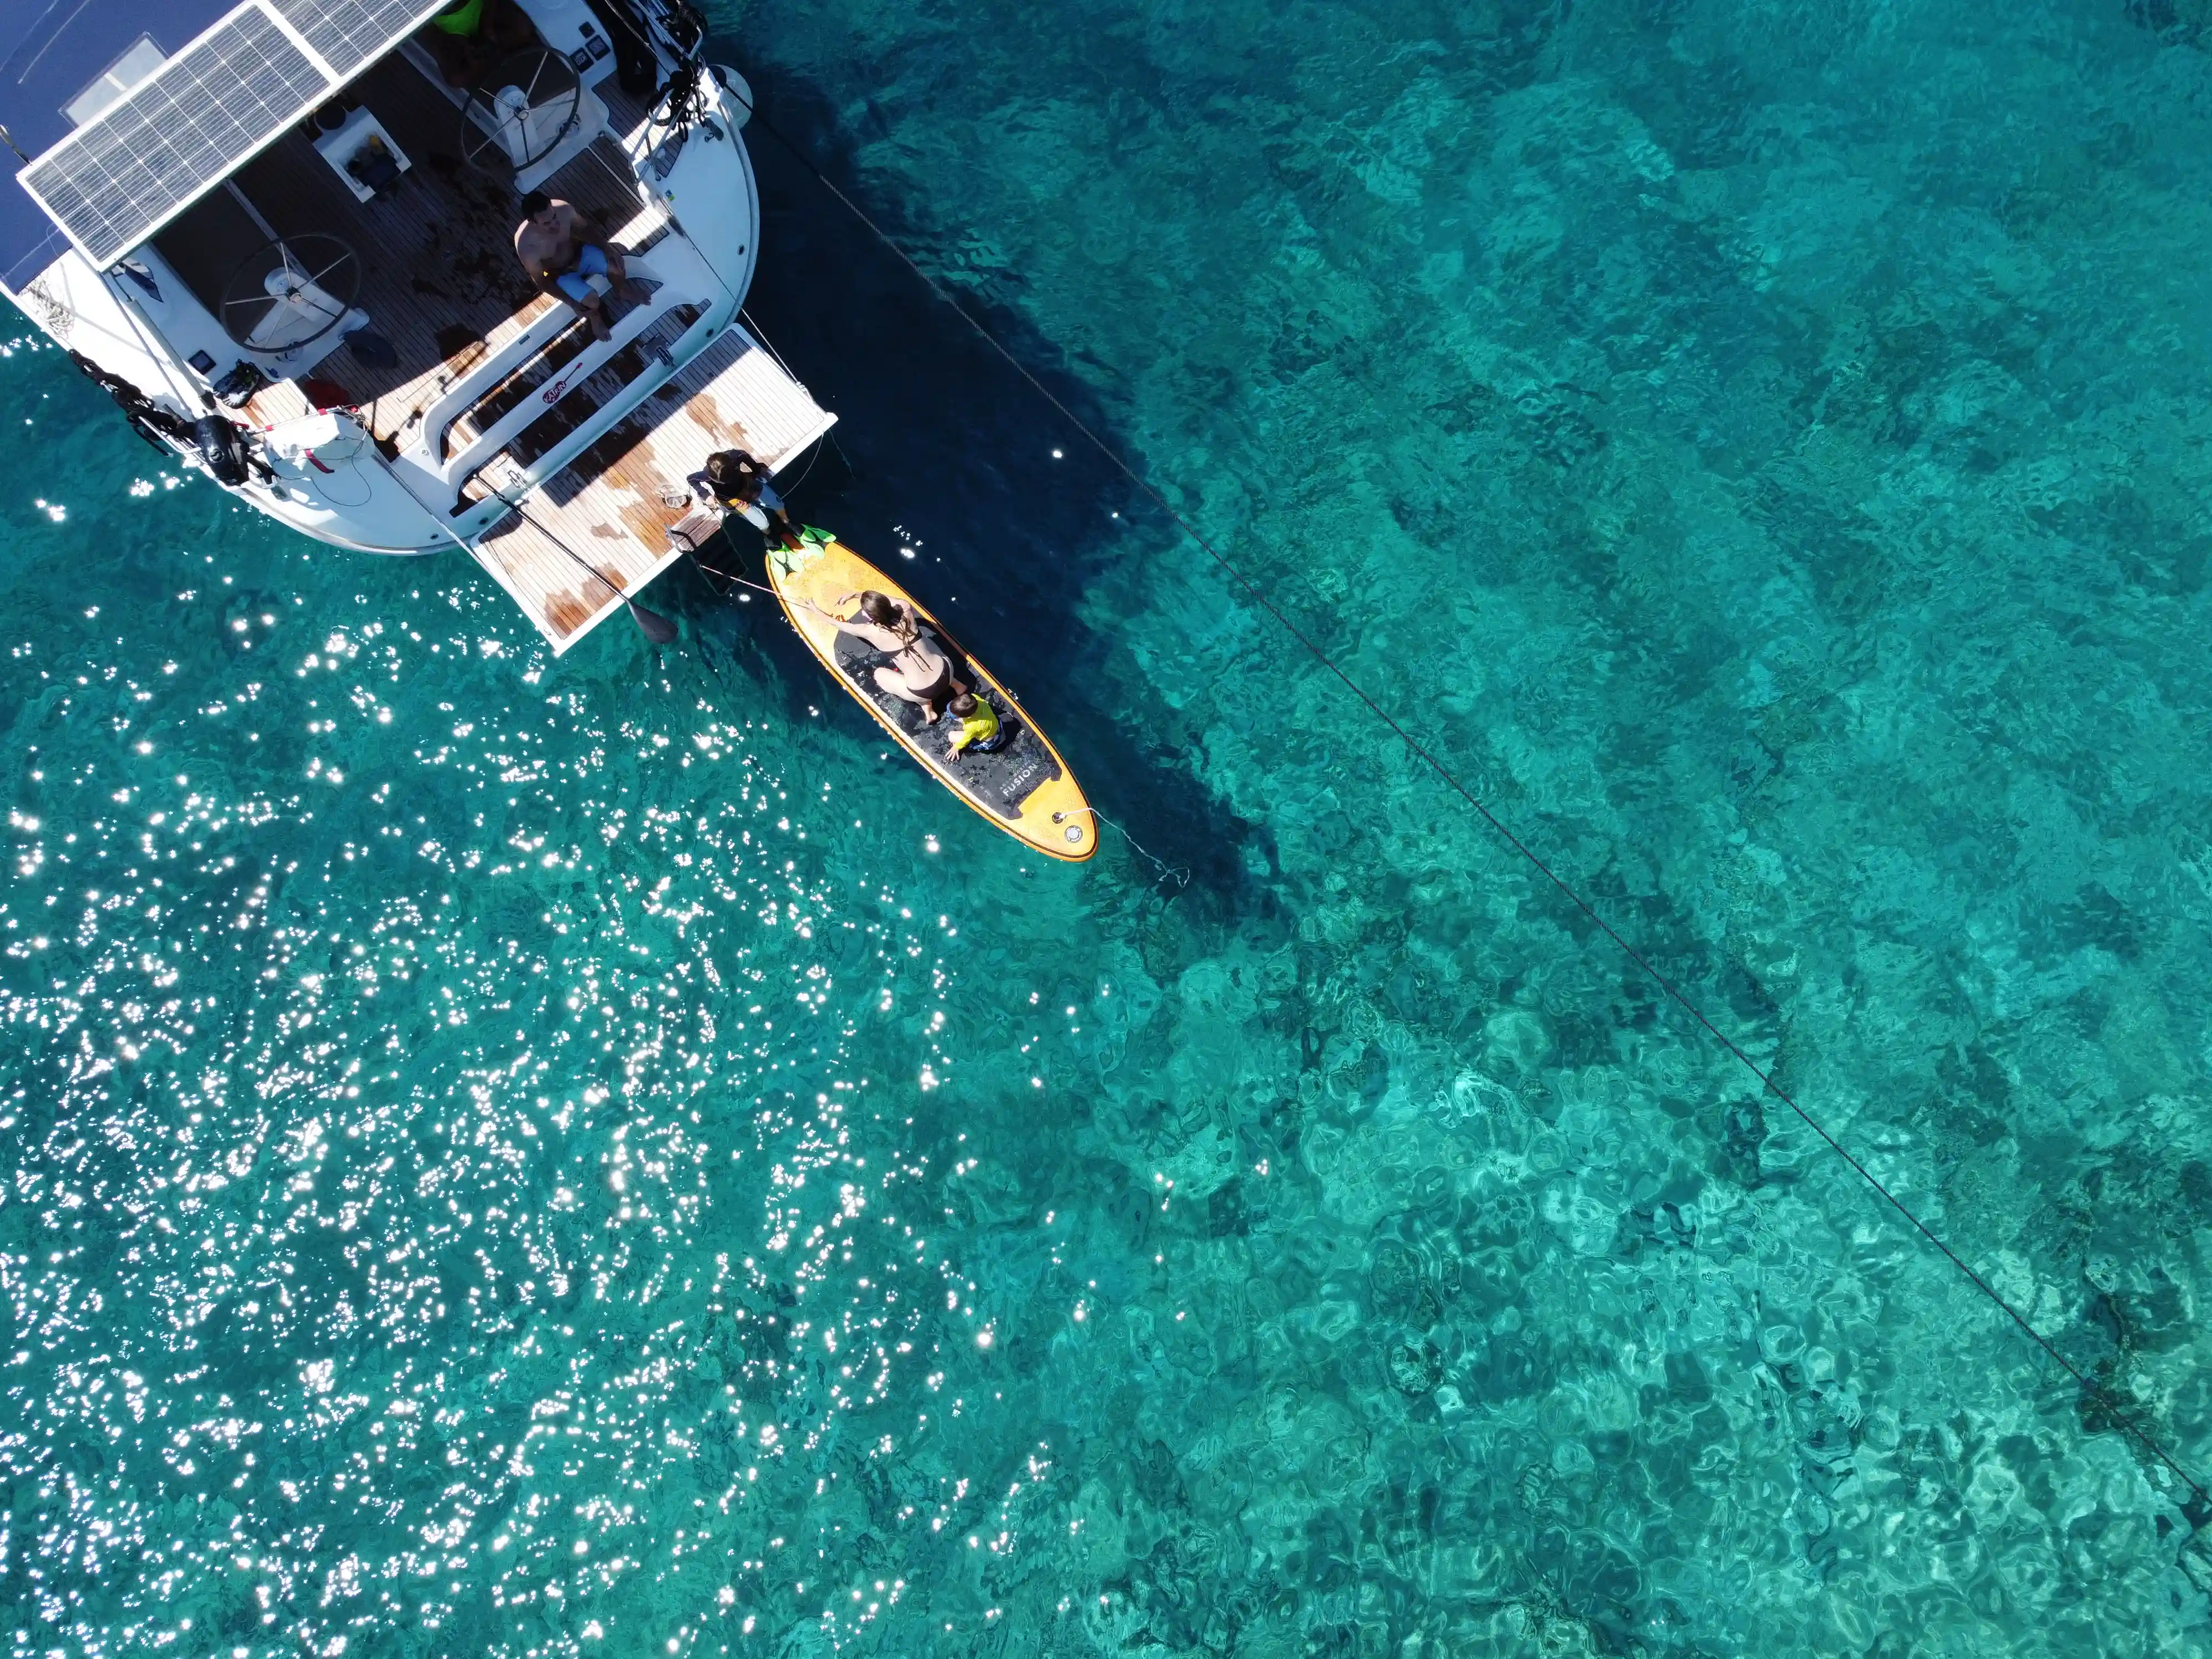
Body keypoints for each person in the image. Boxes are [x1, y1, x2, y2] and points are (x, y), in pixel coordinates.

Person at [805, 590, 966, 718]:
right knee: (927, 643)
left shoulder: (868, 631)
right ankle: (957, 685)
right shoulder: (906, 610)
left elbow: (835, 623)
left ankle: (927, 708)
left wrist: (815, 610)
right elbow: (889, 601)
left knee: (879, 674)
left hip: (922, 692)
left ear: (869, 616)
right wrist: (856, 594)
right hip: (947, 672)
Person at [514, 193, 645, 342]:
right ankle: (595, 319)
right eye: (547, 224)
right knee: (591, 303)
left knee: (617, 267)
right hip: (561, 274)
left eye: (554, 217)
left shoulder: (564, 209)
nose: (555, 224)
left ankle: (621, 291)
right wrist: (572, 303)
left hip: (580, 253)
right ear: (532, 222)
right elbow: (541, 281)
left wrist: (607, 248)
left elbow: (585, 229)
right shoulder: (527, 247)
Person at [692, 448, 800, 550]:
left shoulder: (735, 456)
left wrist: (757, 469)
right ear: (711, 478)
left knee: (778, 505)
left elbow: (744, 455)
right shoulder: (705, 474)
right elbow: (691, 479)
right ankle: (768, 534)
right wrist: (706, 495)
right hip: (732, 499)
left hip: (747, 486)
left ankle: (786, 521)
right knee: (763, 524)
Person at [418, 0, 535, 88]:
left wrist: (487, 23)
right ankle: (483, 60)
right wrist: (468, 56)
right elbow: (429, 33)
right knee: (457, 79)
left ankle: (497, 49)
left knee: (522, 29)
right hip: (454, 29)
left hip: (481, 8)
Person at [941, 691, 1009, 760]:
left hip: (990, 742)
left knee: (951, 736)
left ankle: (973, 747)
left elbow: (966, 740)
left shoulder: (971, 727)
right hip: (997, 726)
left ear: (968, 717)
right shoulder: (976, 698)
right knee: (950, 707)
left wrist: (956, 747)